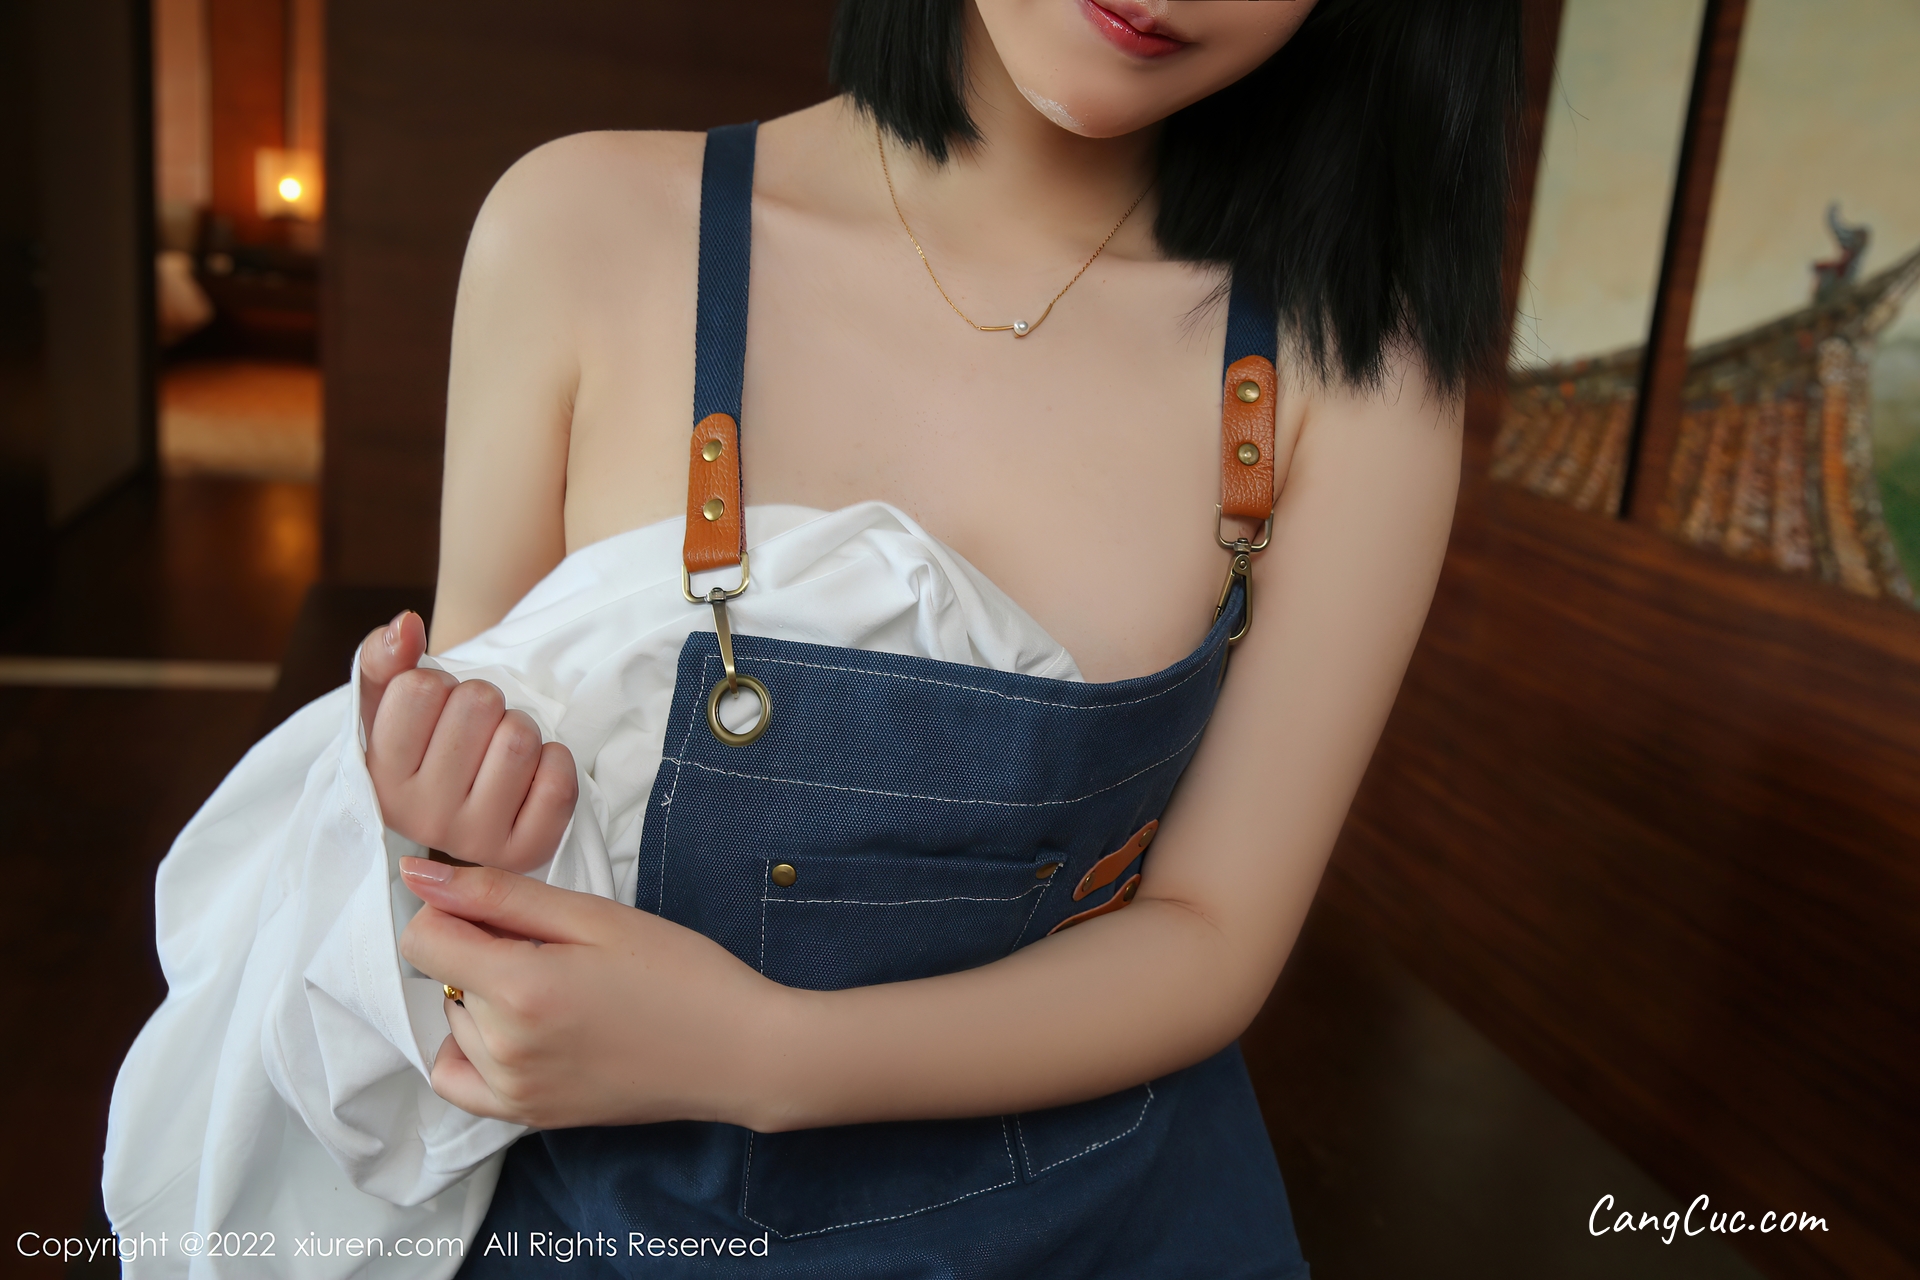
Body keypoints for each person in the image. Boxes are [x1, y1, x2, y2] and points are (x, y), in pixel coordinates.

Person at [104, 1, 1518, 1276]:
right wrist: (449, 810)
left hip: (1103, 1222)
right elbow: (492, 817)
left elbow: (1212, 937)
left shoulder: (1353, 375)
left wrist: (763, 1055)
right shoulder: (579, 225)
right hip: (605, 1220)